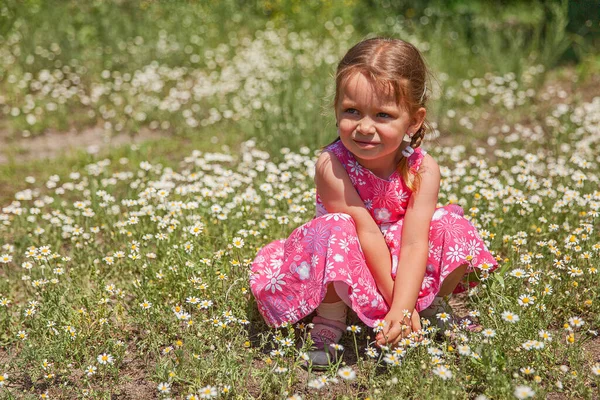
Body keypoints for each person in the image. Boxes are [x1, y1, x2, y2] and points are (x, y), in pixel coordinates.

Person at [249, 37, 499, 366]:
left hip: (400, 262)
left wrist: (402, 306)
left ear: (413, 120)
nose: (365, 127)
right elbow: (365, 233)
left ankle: (427, 304)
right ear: (337, 108)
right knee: (335, 228)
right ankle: (331, 320)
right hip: (348, 265)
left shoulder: (423, 168)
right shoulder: (332, 165)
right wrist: (398, 305)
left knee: (452, 228)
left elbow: (413, 242)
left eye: (383, 115)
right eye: (352, 111)